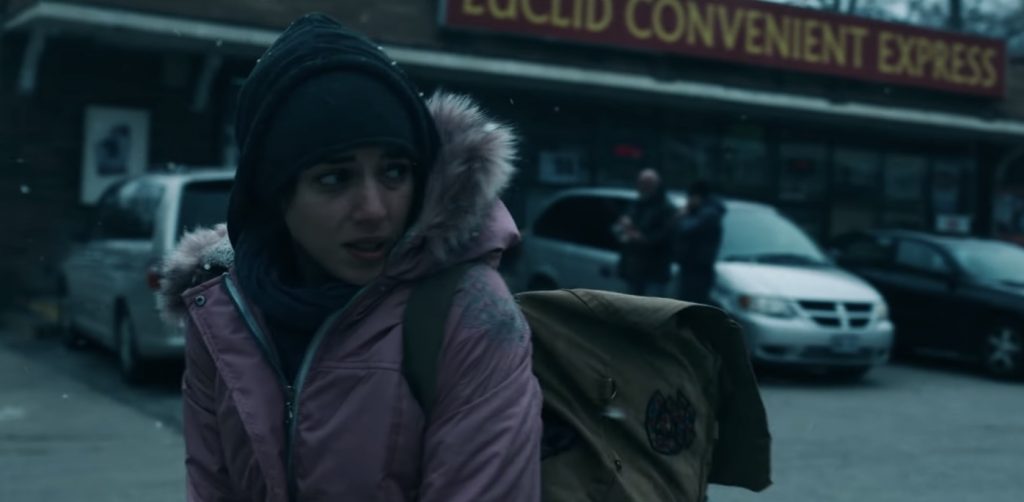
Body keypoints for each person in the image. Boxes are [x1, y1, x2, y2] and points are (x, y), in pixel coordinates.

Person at [157, 13, 541, 501]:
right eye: (335, 178)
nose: (374, 209)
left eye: (394, 172)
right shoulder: (221, 308)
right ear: (276, 194)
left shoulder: (467, 316)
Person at [613, 168, 676, 297]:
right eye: (640, 183)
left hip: (655, 271)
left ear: (656, 185)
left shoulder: (666, 208)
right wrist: (623, 225)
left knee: (651, 307)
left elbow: (667, 235)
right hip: (634, 269)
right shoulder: (637, 204)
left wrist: (642, 238)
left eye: (647, 184)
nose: (642, 187)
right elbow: (621, 227)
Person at [674, 180, 726, 304]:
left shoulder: (708, 214)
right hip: (695, 267)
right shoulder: (706, 212)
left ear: (697, 197)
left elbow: (686, 228)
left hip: (697, 269)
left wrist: (683, 216)